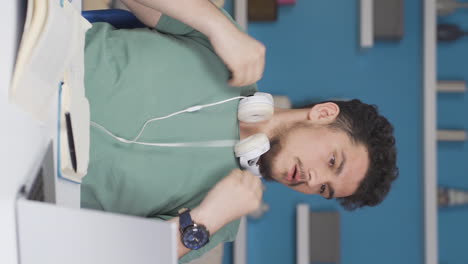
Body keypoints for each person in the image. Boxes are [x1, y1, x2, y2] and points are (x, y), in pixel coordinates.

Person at [81, 0, 398, 263]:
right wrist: (216, 26)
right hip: (40, 56)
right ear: (324, 113)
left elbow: (105, 253)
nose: (313, 181)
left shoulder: (219, 220)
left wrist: (206, 218)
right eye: (332, 161)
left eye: (324, 190)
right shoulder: (226, 46)